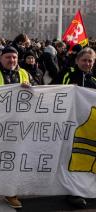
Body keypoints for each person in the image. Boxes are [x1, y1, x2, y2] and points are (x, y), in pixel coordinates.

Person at [0, 46, 36, 209]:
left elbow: (37, 94)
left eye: (14, 58)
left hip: (17, 125)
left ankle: (10, 192)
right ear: (0, 58)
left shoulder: (24, 74)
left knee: (11, 159)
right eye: (8, 57)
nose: (12, 60)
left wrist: (30, 88)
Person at [60, 47, 96, 209]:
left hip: (88, 127)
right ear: (77, 60)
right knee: (71, 159)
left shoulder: (94, 80)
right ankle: (73, 191)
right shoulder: (68, 73)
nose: (87, 63)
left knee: (86, 159)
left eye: (90, 61)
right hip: (69, 124)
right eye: (84, 60)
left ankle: (85, 189)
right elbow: (55, 91)